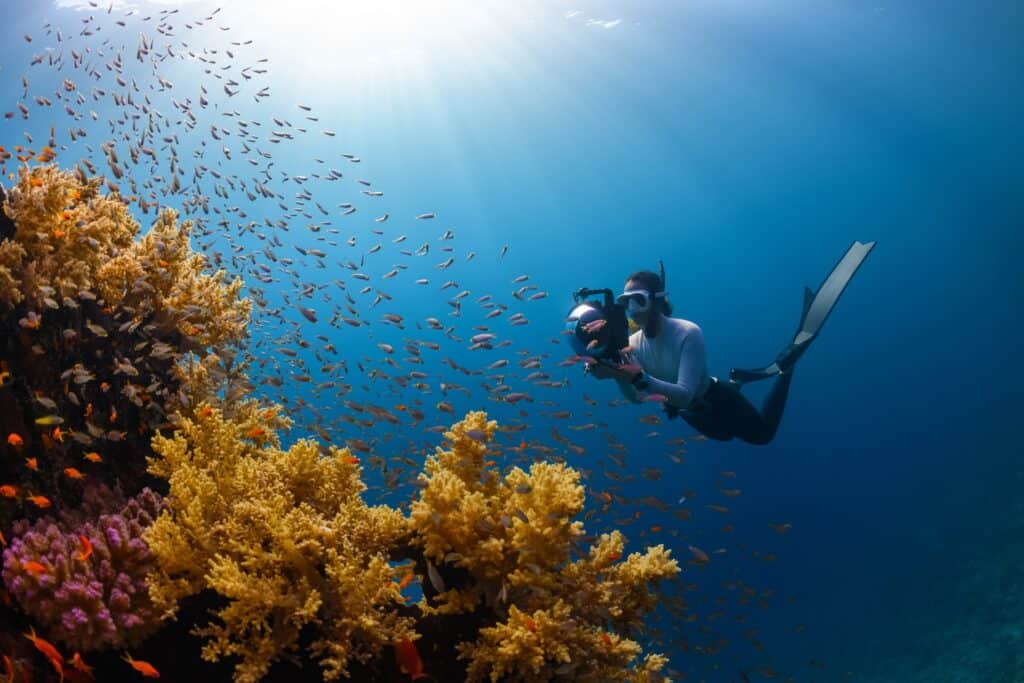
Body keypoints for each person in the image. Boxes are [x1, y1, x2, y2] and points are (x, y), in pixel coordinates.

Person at [588, 241, 876, 444]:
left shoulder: (687, 332)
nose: (632, 309)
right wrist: (618, 377)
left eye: (638, 301)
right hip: (688, 412)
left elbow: (685, 393)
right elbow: (636, 400)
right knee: (725, 437)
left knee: (762, 436)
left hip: (711, 396)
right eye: (626, 302)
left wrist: (639, 378)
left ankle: (785, 370)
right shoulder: (632, 344)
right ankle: (739, 381)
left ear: (657, 300)